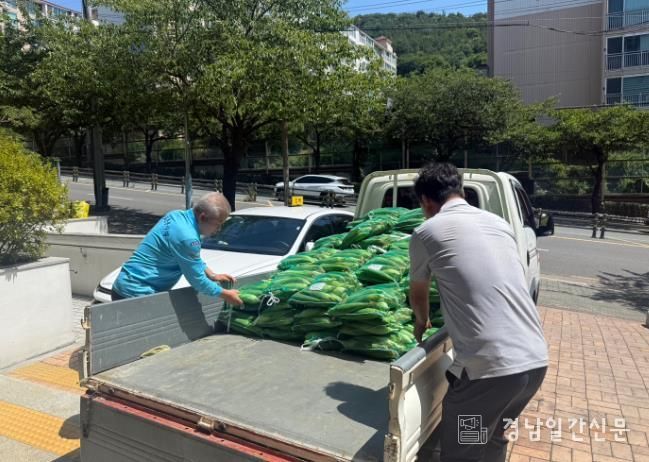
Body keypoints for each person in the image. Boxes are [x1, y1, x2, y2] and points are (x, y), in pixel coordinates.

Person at [408, 162, 548, 462]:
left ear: (426, 201)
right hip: (535, 362)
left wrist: (421, 323)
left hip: (490, 374)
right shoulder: (498, 224)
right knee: (494, 437)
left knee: (464, 451)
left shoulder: (426, 232)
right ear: (459, 191)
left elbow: (418, 293)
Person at [111, 192, 243, 306]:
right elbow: (197, 281)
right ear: (202, 217)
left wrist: (212, 275)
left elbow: (192, 259)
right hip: (137, 293)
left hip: (124, 286)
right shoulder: (188, 238)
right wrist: (225, 294)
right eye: (217, 224)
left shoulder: (176, 216)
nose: (218, 230)